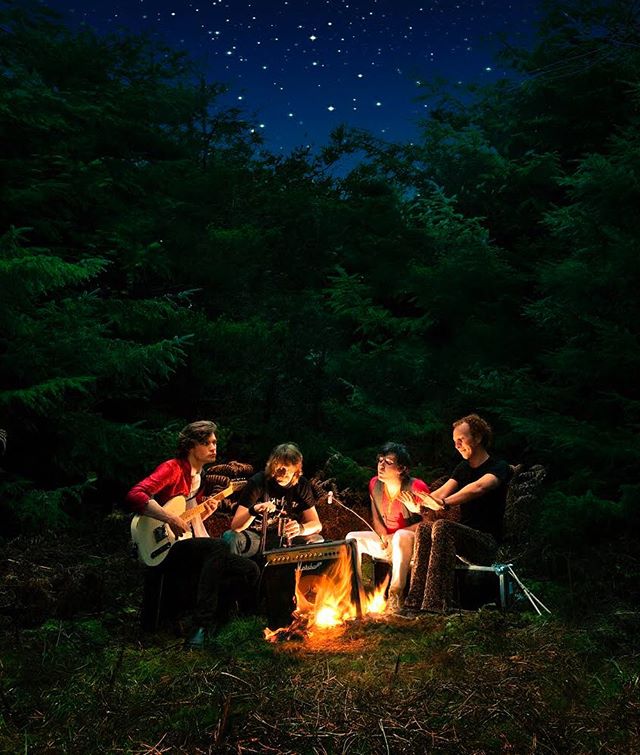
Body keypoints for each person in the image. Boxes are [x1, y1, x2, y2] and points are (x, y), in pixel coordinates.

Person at [126, 420, 260, 646]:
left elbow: (188, 516)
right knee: (219, 547)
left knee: (250, 569)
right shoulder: (172, 468)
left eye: (215, 442)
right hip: (161, 545)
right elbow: (135, 495)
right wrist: (169, 518)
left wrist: (205, 512)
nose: (213, 447)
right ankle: (201, 626)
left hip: (180, 542)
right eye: (206, 442)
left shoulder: (201, 477)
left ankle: (221, 622)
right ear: (190, 446)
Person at [396, 413, 512, 617]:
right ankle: (413, 604)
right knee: (424, 527)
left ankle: (435, 606)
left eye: (461, 439)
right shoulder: (462, 469)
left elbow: (478, 488)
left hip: (486, 543)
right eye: (454, 441)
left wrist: (443, 504)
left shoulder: (498, 467)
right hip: (464, 541)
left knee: (442, 525)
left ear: (477, 438)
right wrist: (419, 505)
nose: (457, 445)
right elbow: (439, 494)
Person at [345, 442, 430, 613]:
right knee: (352, 538)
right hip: (389, 541)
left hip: (412, 542)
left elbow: (429, 522)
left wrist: (394, 537)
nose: (381, 465)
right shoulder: (374, 484)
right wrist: (384, 536)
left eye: (388, 462)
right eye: (380, 460)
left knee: (400, 536)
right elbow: (376, 516)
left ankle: (395, 595)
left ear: (402, 468)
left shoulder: (415, 487)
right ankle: (366, 591)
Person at [222, 442, 323, 556]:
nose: (282, 470)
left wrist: (301, 529)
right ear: (272, 465)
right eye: (278, 465)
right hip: (256, 538)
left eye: (287, 466)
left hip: (287, 539)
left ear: (296, 468)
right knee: (230, 537)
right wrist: (254, 510)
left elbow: (317, 525)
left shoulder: (302, 485)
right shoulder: (258, 481)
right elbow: (235, 526)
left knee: (317, 539)